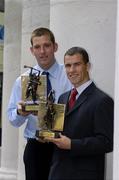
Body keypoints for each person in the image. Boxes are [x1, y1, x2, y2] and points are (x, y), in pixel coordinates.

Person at [7, 27, 71, 180]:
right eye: (37, 47)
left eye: (47, 45)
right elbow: (12, 119)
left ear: (55, 47)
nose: (42, 51)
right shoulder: (22, 81)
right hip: (36, 149)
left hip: (64, 145)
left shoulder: (70, 75)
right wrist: (20, 112)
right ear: (32, 50)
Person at [45, 46, 114, 180]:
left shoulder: (102, 101)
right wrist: (46, 133)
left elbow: (106, 142)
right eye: (68, 66)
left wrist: (72, 144)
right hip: (58, 172)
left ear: (87, 66)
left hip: (84, 175)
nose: (71, 70)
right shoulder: (63, 98)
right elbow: (59, 132)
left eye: (77, 65)